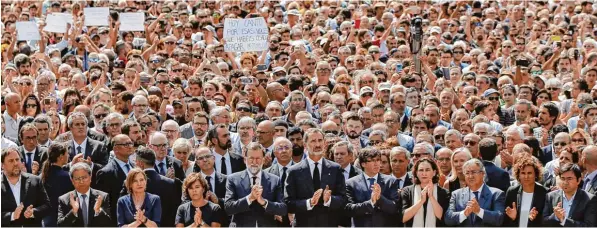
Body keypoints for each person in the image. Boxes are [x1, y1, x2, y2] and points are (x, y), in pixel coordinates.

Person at [284, 128, 347, 227]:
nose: (318, 145)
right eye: (313, 141)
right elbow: (288, 203)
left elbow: (343, 199)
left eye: (320, 140)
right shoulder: (293, 171)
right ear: (305, 145)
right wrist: (309, 203)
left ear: (324, 143)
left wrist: (329, 200)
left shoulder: (335, 168)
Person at [224, 142, 287, 226]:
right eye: (251, 158)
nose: (254, 162)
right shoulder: (233, 179)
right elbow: (228, 208)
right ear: (245, 159)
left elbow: (283, 209)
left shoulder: (274, 180)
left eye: (258, 158)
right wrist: (250, 198)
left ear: (263, 160)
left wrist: (264, 202)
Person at [345, 147, 400, 227]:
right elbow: (349, 209)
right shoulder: (351, 183)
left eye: (378, 160)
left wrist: (379, 198)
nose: (377, 164)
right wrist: (370, 203)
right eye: (372, 160)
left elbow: (394, 208)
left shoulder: (390, 181)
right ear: (363, 164)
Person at [445, 159, 505, 226]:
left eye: (473, 172)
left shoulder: (497, 194)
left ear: (483, 174)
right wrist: (464, 214)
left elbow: (499, 218)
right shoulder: (456, 194)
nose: (470, 176)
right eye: (467, 173)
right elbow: (448, 219)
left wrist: (479, 211)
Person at [1, 147, 51, 226]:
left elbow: (47, 206)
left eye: (17, 160)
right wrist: (12, 216)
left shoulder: (35, 180)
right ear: (2, 165)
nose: (15, 163)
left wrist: (33, 212)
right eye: (11, 161)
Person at [134, 146, 182, 227]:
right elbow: (176, 211)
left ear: (140, 163)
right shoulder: (171, 183)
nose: (135, 164)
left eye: (135, 162)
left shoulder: (133, 184)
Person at [95, 134, 136, 226]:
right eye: (126, 144)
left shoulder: (135, 167)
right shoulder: (105, 172)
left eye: (130, 143)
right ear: (115, 149)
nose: (130, 146)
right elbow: (104, 204)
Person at [401, 158, 450, 227]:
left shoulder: (444, 192)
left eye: (427, 170)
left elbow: (441, 217)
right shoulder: (407, 191)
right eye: (421, 170)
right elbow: (403, 218)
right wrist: (421, 201)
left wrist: (431, 197)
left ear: (434, 173)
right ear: (416, 173)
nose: (424, 173)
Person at [503, 157, 548, 227]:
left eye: (529, 173)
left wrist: (535, 219)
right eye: (523, 173)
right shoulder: (512, 192)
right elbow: (505, 221)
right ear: (519, 175)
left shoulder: (544, 193)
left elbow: (547, 221)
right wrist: (513, 218)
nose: (526, 176)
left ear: (535, 174)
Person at [40, 143, 74, 227]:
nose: (68, 155)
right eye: (67, 153)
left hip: (46, 219)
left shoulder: (42, 176)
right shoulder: (67, 176)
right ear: (61, 157)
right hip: (62, 218)